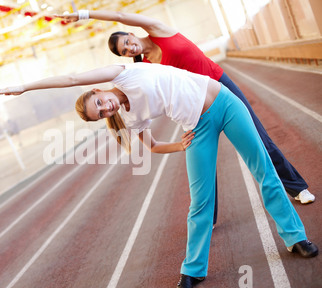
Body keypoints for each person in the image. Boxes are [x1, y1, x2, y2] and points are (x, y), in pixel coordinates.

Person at [0, 62, 318, 288]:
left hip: (225, 104)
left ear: (98, 90)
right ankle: (193, 271)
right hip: (198, 128)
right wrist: (180, 144)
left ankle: (295, 238)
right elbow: (153, 145)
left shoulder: (122, 71)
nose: (106, 108)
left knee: (265, 172)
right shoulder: (131, 118)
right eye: (101, 114)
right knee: (200, 201)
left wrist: (26, 87)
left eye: (100, 103)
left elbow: (71, 75)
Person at [56, 10, 316, 228]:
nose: (128, 48)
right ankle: (209, 217)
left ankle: (297, 188)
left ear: (131, 32)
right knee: (204, 162)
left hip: (219, 86)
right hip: (195, 106)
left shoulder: (158, 31)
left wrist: (84, 14)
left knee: (260, 139)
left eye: (126, 42)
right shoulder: (143, 66)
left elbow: (120, 13)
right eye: (124, 52)